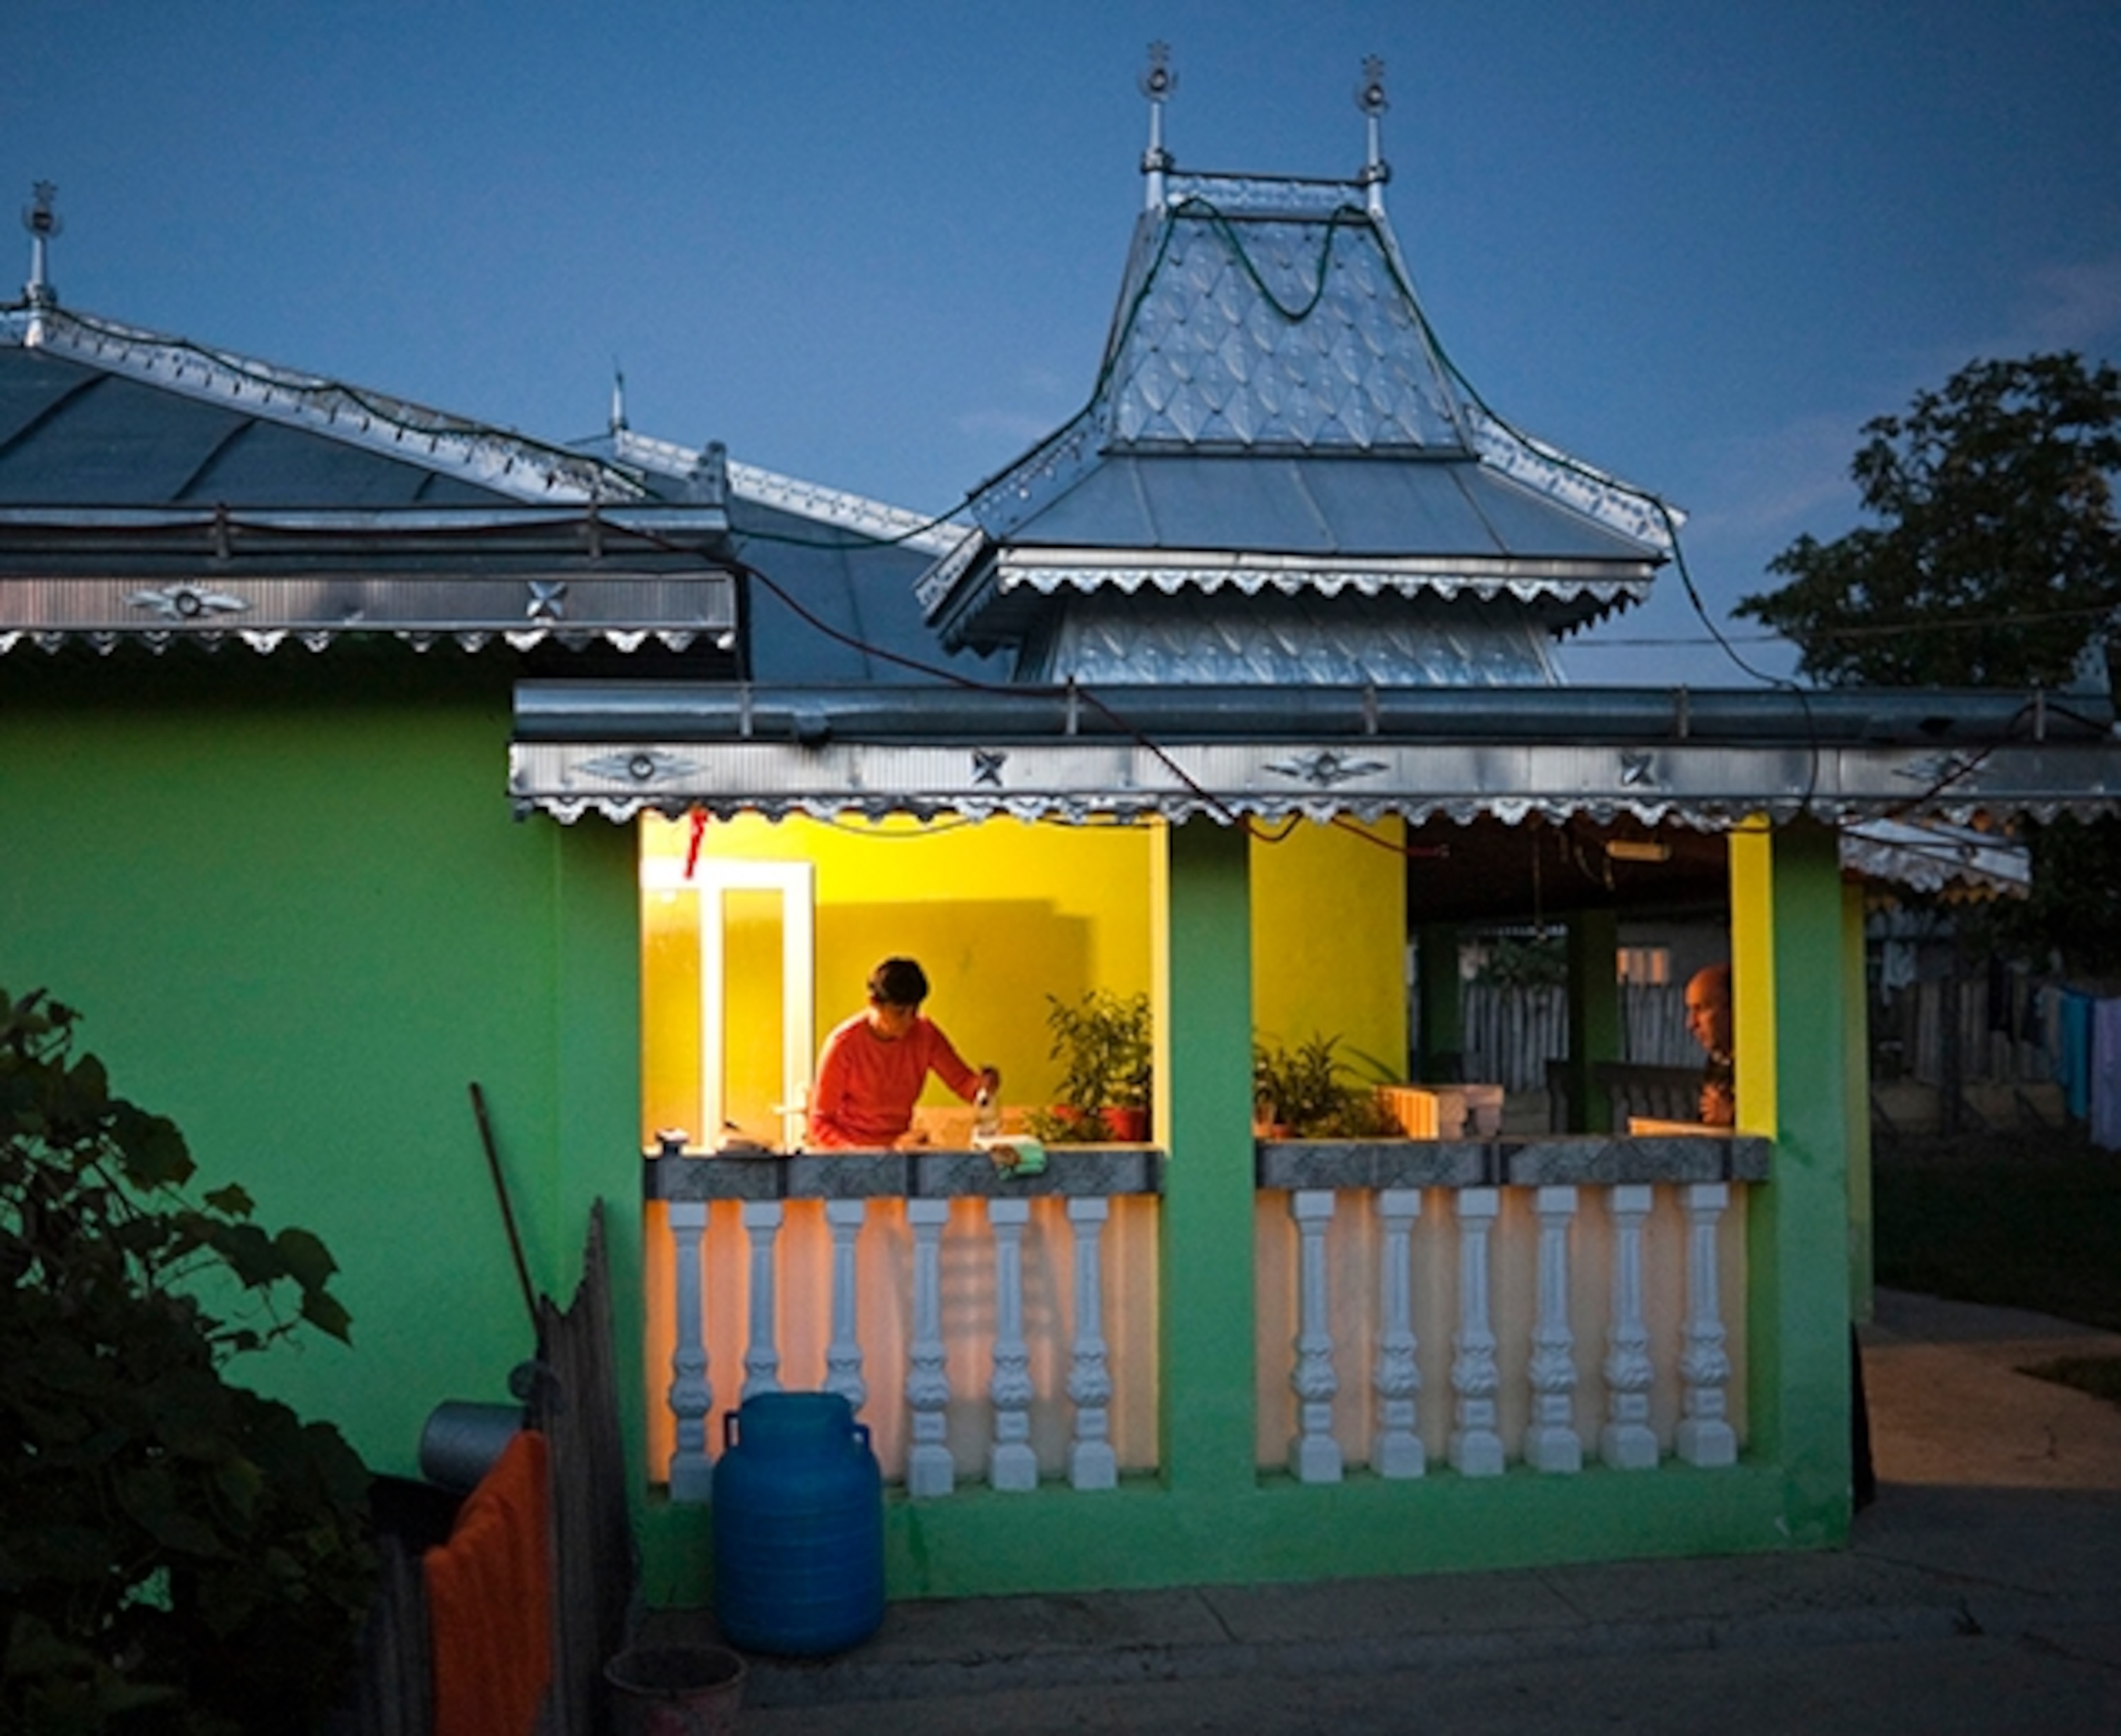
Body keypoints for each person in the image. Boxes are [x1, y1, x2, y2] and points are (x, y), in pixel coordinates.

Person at [806, 956, 1000, 1150]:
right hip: (852, 1156)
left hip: (901, 1149)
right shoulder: (843, 1044)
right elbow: (820, 1123)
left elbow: (964, 1084)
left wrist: (984, 1086)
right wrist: (857, 1153)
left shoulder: (925, 1033)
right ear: (874, 1003)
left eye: (914, 1011)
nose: (909, 1021)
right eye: (899, 1013)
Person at [1684, 962, 1735, 1127]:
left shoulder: (1765, 1064)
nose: (1691, 1024)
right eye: (1690, 1010)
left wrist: (1733, 1118)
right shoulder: (1717, 1062)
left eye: (1701, 1009)